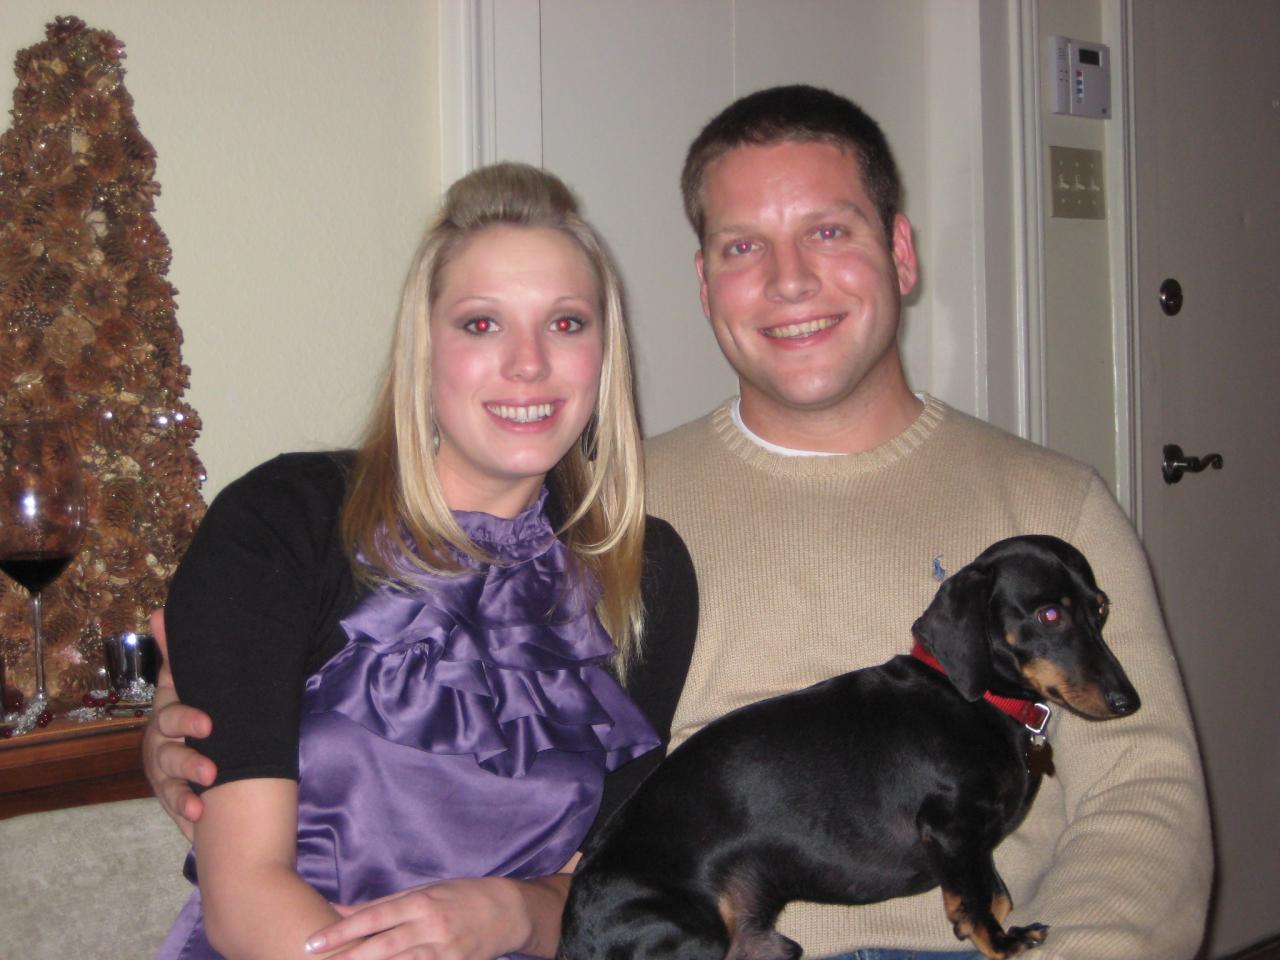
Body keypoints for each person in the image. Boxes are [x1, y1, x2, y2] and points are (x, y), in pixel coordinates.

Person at [148, 85, 1212, 960]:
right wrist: (204, 715)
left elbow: (1146, 804)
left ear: (900, 251)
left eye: (827, 231)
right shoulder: (623, 525)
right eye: (743, 247)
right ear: (703, 286)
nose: (788, 280)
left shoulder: (1051, 509)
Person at [150, 162, 697, 960]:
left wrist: (516, 912)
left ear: (604, 354)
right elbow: (245, 897)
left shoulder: (642, 573)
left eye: (566, 322)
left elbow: (604, 897)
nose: (529, 363)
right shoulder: (283, 520)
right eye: (481, 324)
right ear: (423, 346)